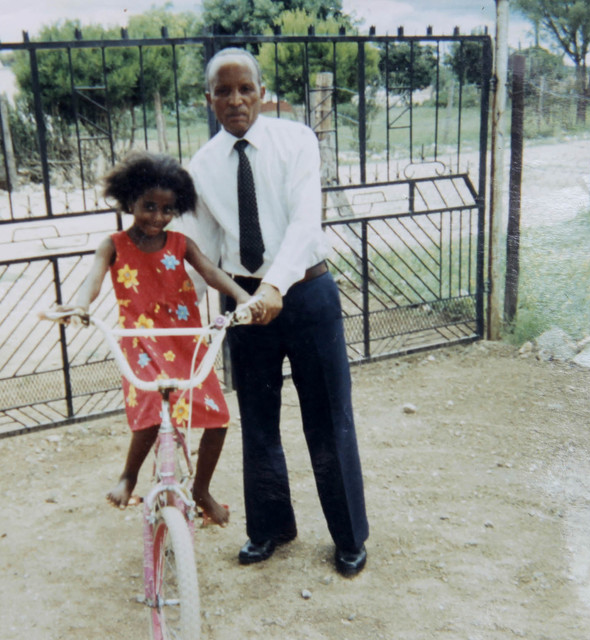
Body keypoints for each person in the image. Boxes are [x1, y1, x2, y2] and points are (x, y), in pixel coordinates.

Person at [181, 47, 369, 576]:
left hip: (306, 294)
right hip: (243, 303)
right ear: (209, 98)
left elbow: (307, 220)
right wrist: (186, 311)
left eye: (246, 89)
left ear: (262, 92)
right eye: (224, 90)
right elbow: (205, 247)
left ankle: (349, 535)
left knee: (329, 420)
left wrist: (276, 287)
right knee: (258, 421)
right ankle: (269, 527)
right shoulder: (204, 164)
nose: (236, 100)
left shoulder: (296, 140)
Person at [44, 151, 256, 527]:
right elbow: (92, 280)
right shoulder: (113, 246)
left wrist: (244, 299)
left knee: (218, 419)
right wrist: (80, 306)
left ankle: (201, 489)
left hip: (185, 340)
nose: (157, 217)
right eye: (148, 206)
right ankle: (129, 475)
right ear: (129, 202)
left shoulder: (181, 244)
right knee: (150, 413)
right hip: (141, 343)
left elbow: (210, 272)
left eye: (167, 209)